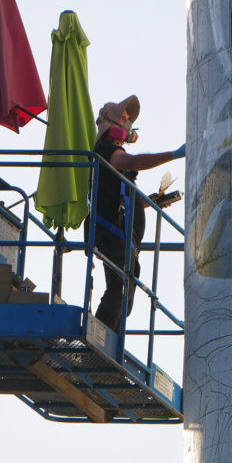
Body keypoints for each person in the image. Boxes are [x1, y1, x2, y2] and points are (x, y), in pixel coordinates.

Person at [89, 95, 185, 333]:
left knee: (125, 297)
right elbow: (133, 162)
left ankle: (112, 344)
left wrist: (148, 202)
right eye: (123, 118)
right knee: (117, 291)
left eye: (128, 120)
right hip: (113, 234)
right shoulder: (106, 151)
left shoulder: (113, 156)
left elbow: (118, 195)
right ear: (110, 125)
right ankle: (100, 341)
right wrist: (172, 154)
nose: (127, 123)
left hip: (124, 236)